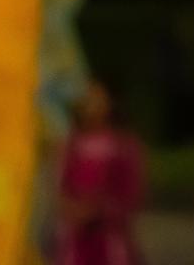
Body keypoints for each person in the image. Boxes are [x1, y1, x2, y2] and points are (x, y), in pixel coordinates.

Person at [55, 79, 148, 265]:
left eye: (98, 99)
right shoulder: (74, 145)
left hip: (109, 241)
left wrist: (98, 210)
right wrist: (72, 209)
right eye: (88, 99)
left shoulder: (122, 146)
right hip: (77, 242)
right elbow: (63, 187)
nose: (91, 105)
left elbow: (130, 194)